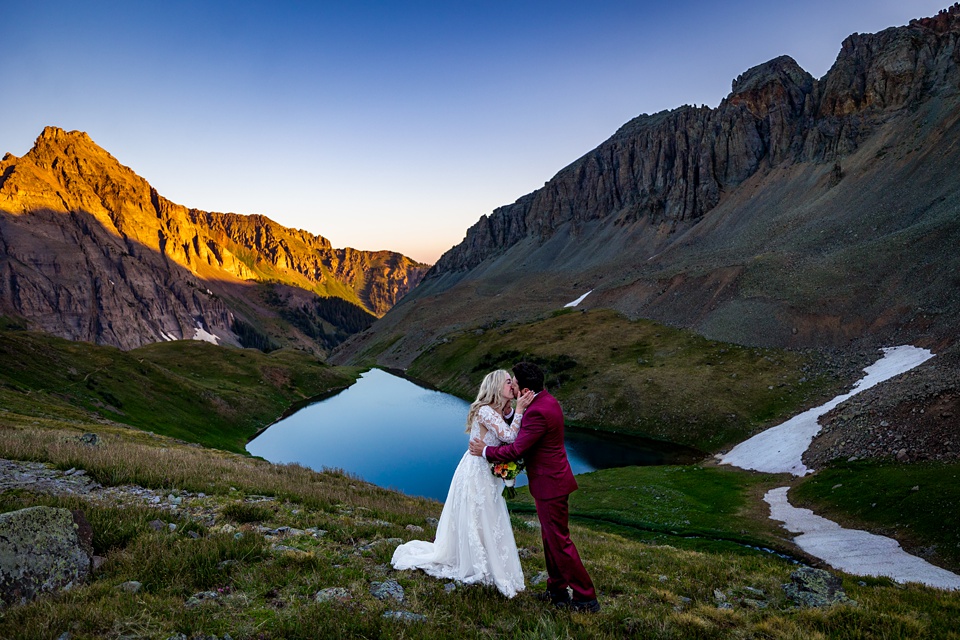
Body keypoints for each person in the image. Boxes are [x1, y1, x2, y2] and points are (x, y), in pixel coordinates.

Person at [468, 361, 600, 613]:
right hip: (550, 482)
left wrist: (484, 450)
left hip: (551, 485)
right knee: (550, 540)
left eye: (514, 383)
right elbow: (512, 424)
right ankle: (557, 591)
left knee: (559, 542)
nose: (512, 386)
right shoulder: (544, 401)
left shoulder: (538, 411)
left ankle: (586, 598)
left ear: (525, 388)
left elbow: (517, 448)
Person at [391, 369, 534, 598]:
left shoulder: (498, 411)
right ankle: (477, 563)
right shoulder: (486, 411)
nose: (512, 385)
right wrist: (519, 410)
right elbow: (509, 437)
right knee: (479, 515)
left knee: (489, 516)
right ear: (497, 386)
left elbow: (506, 433)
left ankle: (487, 560)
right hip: (476, 471)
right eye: (508, 381)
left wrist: (514, 411)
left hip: (484, 469)